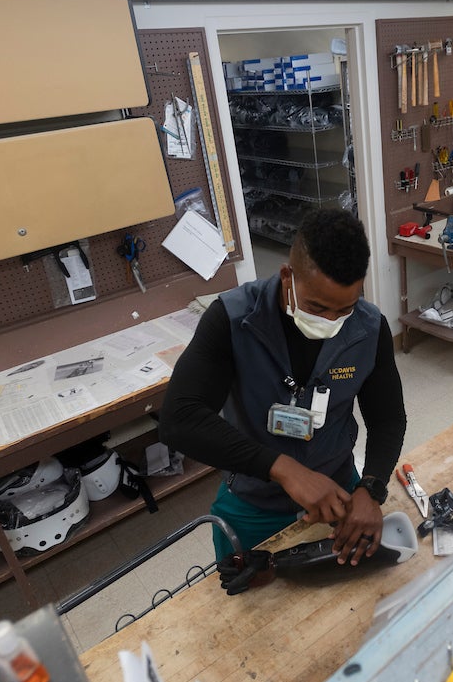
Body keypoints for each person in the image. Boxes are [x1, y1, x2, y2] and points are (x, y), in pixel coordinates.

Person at [160, 209, 407, 566]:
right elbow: (179, 418)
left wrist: (371, 487)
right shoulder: (232, 319)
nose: (331, 322)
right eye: (317, 307)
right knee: (246, 606)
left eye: (345, 309)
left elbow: (387, 419)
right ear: (287, 276)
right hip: (253, 502)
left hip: (339, 498)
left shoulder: (369, 328)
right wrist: (284, 469)